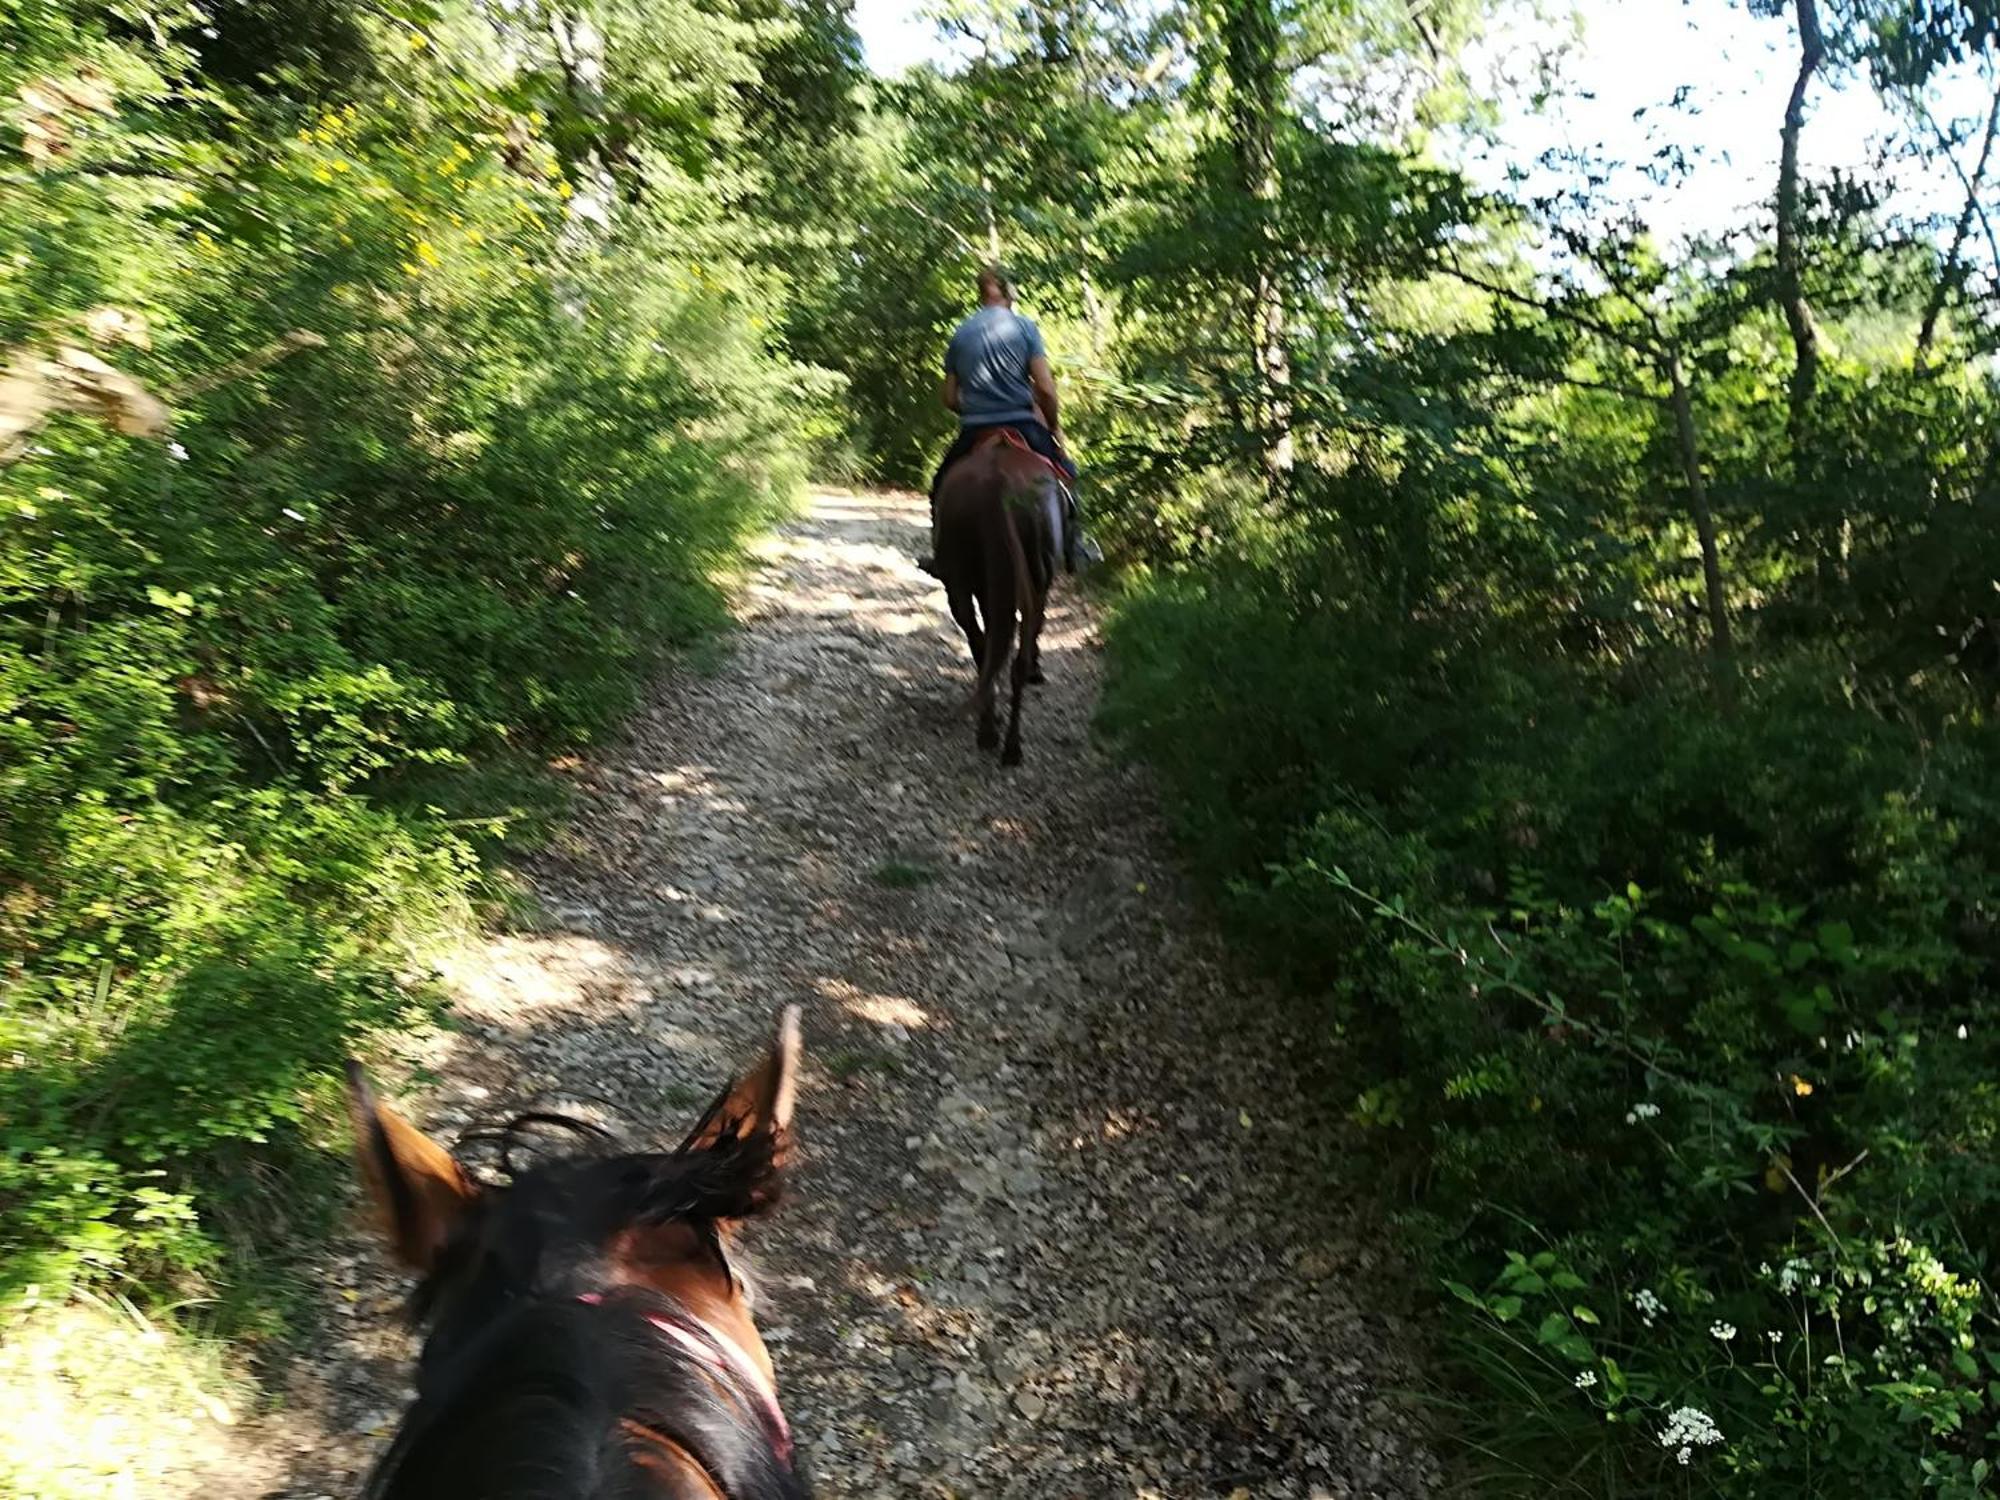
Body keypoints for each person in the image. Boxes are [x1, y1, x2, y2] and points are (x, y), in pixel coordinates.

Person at [918, 264, 1093, 578]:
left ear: (981, 294)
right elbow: (1045, 389)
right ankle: (1074, 548)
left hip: (975, 429)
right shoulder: (1024, 328)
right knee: (1066, 474)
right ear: (1008, 292)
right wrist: (1052, 426)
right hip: (1022, 423)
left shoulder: (961, 333)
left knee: (941, 484)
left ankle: (941, 556)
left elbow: (948, 398)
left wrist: (976, 407)